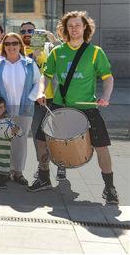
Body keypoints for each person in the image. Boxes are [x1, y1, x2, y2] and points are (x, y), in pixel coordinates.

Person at [30, 11, 118, 204]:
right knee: (40, 140)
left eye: (78, 25)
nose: (74, 29)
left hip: (87, 108)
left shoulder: (95, 52)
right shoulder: (57, 52)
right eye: (70, 26)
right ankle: (44, 176)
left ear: (85, 27)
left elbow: (108, 78)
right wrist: (41, 91)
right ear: (65, 29)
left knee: (102, 147)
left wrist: (105, 96)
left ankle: (109, 187)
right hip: (60, 106)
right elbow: (46, 75)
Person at [0, 33, 41, 186]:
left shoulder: (29, 63)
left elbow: (38, 82)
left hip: (25, 108)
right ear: (4, 46)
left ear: (20, 45)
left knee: (20, 140)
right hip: (4, 109)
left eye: (14, 43)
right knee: (5, 139)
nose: (11, 46)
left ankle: (18, 172)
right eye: (7, 43)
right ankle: (5, 171)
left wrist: (31, 98)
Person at [20, 21, 66, 181]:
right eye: (24, 30)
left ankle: (62, 165)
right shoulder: (19, 50)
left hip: (54, 98)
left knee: (57, 134)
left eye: (31, 30)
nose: (28, 33)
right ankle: (42, 167)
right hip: (34, 100)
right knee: (38, 136)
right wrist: (33, 57)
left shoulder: (48, 47)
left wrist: (52, 38)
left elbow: (63, 51)